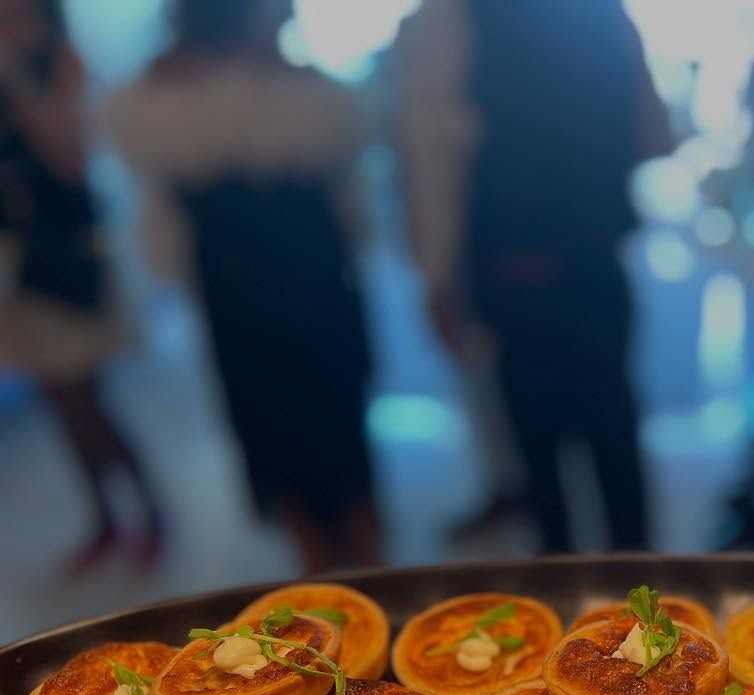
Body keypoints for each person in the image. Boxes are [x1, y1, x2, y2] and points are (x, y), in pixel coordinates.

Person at [108, 0, 379, 573]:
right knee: (272, 422)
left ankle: (362, 550)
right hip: (242, 284)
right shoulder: (168, 94)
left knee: (336, 417)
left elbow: (345, 150)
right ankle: (316, 555)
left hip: (308, 277)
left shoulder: (301, 90)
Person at [395, 0, 669, 552]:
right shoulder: (601, 13)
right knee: (614, 436)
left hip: (514, 267)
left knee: (542, 452)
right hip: (593, 258)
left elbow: (434, 152)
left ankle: (568, 599)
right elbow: (654, 134)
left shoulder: (454, 18)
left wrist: (439, 274)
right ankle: (641, 597)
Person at [0, 0, 162, 570]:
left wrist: (18, 81)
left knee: (90, 402)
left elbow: (69, 160)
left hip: (70, 263)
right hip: (17, 271)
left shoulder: (61, 67)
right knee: (59, 404)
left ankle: (153, 514)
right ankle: (104, 520)